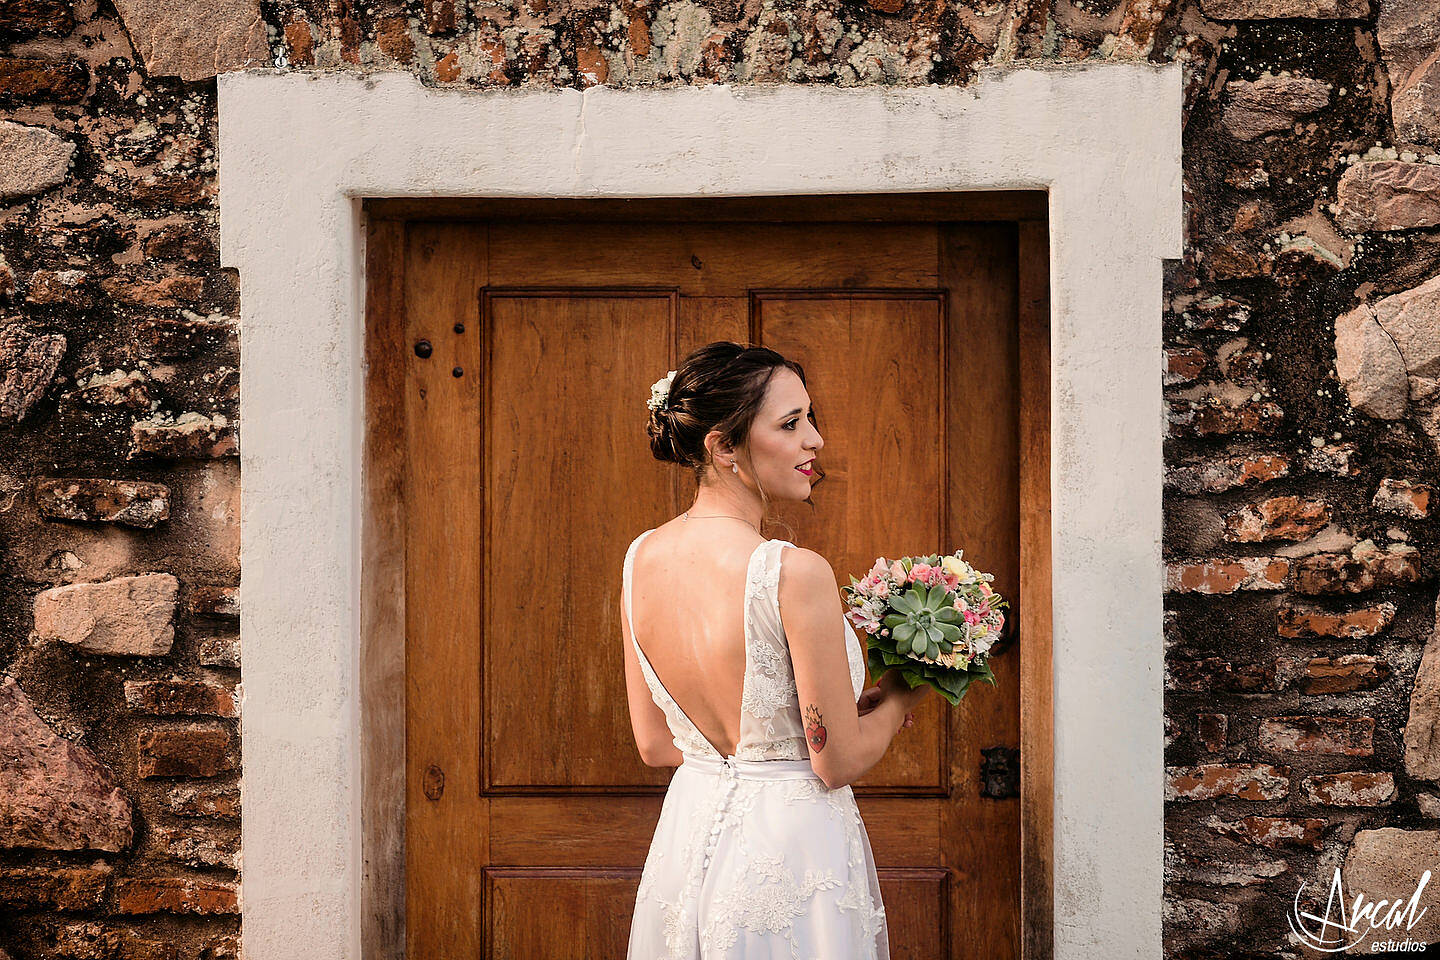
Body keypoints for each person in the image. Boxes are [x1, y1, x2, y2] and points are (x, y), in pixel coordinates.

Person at [622, 341, 931, 959]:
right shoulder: (791, 571)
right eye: (790, 424)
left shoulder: (640, 557)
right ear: (723, 446)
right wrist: (901, 696)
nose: (814, 439)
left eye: (809, 419)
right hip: (789, 851)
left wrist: (843, 707)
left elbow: (657, 745)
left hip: (690, 839)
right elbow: (835, 762)